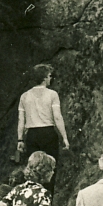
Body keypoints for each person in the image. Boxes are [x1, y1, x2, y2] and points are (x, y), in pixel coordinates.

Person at [16, 64, 70, 197]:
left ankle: (32, 202)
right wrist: (64, 137)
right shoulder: (52, 94)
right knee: (50, 168)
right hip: (48, 133)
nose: (51, 79)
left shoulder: (25, 96)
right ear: (45, 78)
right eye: (50, 76)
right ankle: (47, 205)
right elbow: (57, 117)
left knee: (34, 168)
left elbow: (21, 121)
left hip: (32, 135)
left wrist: (20, 139)